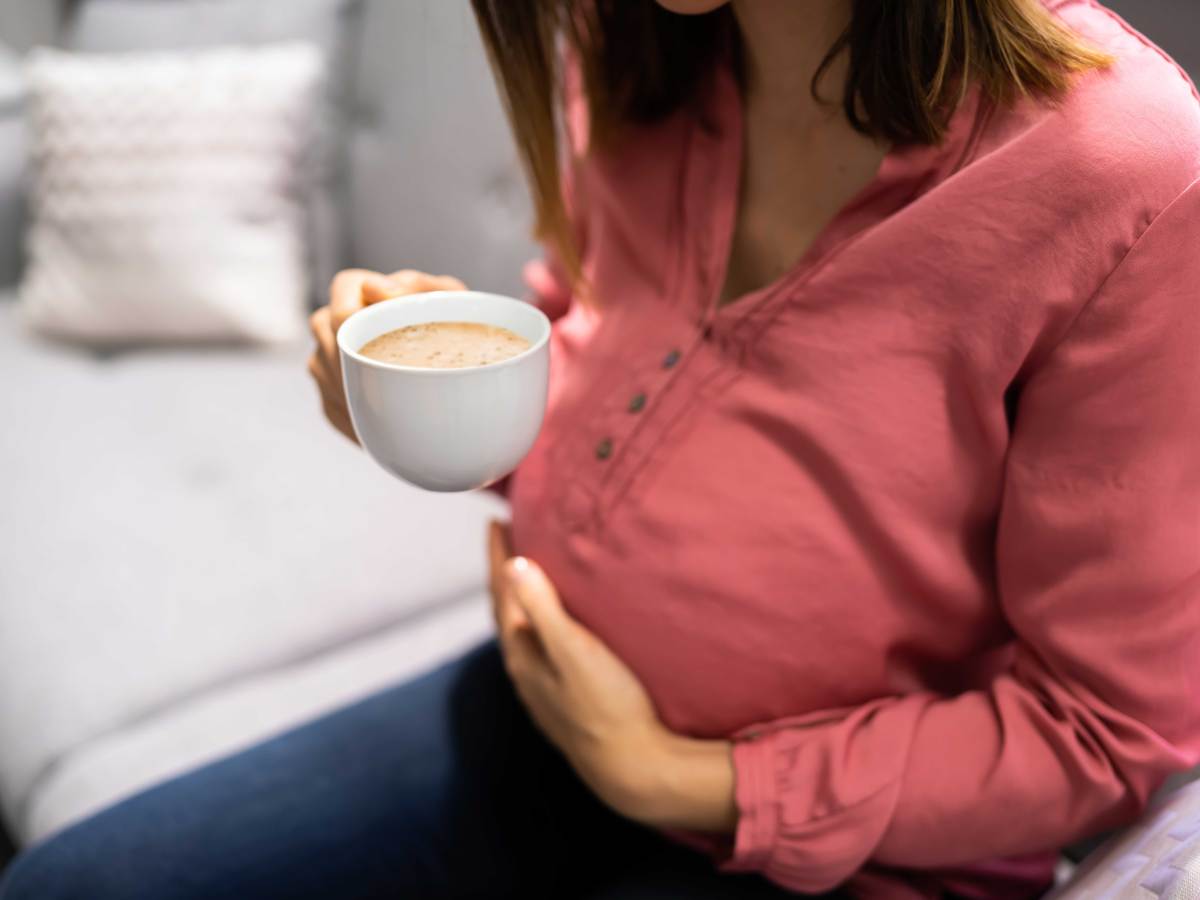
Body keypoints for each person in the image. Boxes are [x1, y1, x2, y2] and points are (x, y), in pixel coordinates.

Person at [4, 0, 1199, 897]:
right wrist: (449, 385)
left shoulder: (1124, 177)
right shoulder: (646, 39)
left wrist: (677, 778)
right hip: (542, 715)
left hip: (830, 863)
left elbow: (1106, 726)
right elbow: (628, 363)